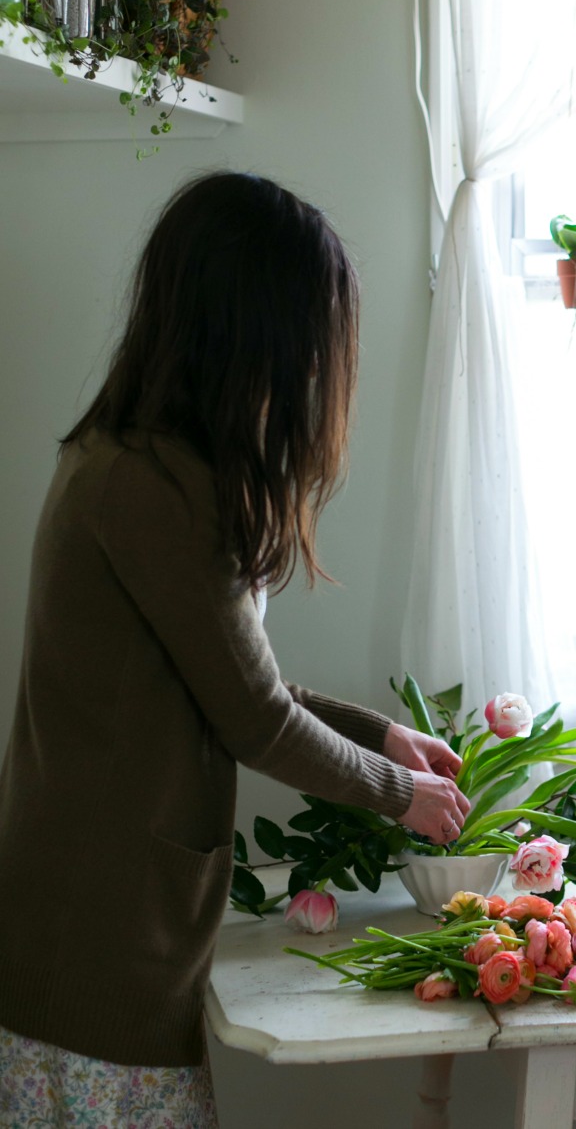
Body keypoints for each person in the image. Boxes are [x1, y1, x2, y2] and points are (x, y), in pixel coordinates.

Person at [0, 171, 469, 1128]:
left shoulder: (145, 464)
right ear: (253, 330)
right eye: (310, 340)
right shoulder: (147, 486)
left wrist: (380, 738)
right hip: (92, 939)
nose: (313, 371)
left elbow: (228, 680)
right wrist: (401, 796)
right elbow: (252, 717)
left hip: (99, 921)